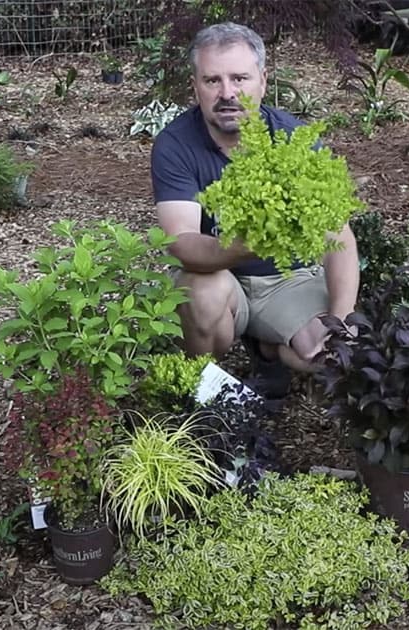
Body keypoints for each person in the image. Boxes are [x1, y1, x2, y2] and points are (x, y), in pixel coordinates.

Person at [150, 22, 360, 405]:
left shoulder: (293, 141)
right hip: (220, 278)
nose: (227, 93)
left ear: (263, 81)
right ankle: (204, 393)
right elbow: (181, 243)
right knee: (200, 293)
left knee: (329, 355)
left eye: (239, 78)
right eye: (212, 80)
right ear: (195, 85)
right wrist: (248, 245)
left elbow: (338, 238)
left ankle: (267, 349)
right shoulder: (175, 145)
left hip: (287, 280)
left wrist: (341, 321)